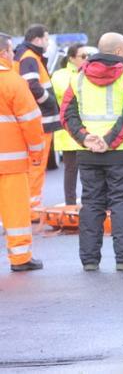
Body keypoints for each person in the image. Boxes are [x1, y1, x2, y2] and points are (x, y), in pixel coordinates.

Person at [60, 33, 123, 271]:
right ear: (119, 52)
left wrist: (85, 137)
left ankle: (89, 260)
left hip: (88, 152)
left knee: (91, 203)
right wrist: (109, 141)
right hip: (122, 151)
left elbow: (67, 114)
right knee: (121, 202)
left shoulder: (78, 78)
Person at [0, 32, 45, 272]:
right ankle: (19, 257)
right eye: (10, 51)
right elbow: (30, 121)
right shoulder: (12, 81)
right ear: (4, 53)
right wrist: (37, 153)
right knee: (15, 211)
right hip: (11, 163)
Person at [15, 24, 61, 218]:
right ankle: (31, 210)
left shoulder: (27, 56)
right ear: (37, 40)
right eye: (46, 38)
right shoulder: (30, 58)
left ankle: (28, 207)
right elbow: (32, 86)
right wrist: (49, 101)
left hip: (37, 120)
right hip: (40, 122)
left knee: (33, 167)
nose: (48, 42)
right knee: (36, 166)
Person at [50, 43, 94, 206]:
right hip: (68, 132)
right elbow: (69, 92)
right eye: (83, 56)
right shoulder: (61, 75)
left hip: (89, 129)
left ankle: (90, 204)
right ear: (71, 58)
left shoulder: (89, 72)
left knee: (89, 172)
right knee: (71, 170)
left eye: (88, 55)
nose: (87, 59)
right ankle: (70, 205)